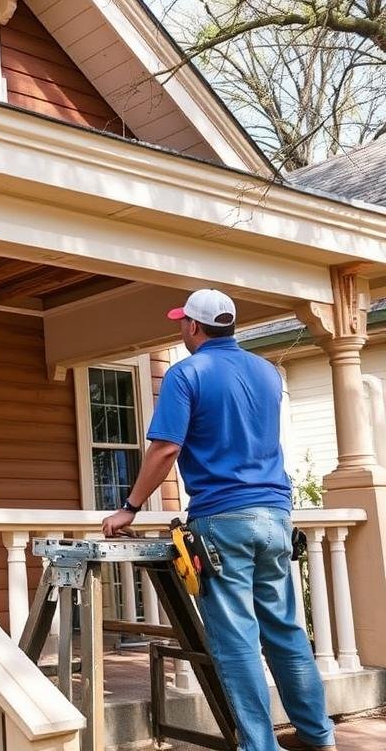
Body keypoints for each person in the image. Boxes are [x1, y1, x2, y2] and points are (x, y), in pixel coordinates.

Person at [101, 289, 335, 751]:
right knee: (286, 632)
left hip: (223, 519)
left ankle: (259, 746)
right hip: (274, 516)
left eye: (182, 323)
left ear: (194, 326)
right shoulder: (267, 373)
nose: (180, 329)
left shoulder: (186, 373)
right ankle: (318, 736)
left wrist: (129, 506)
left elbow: (166, 447)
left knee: (237, 641)